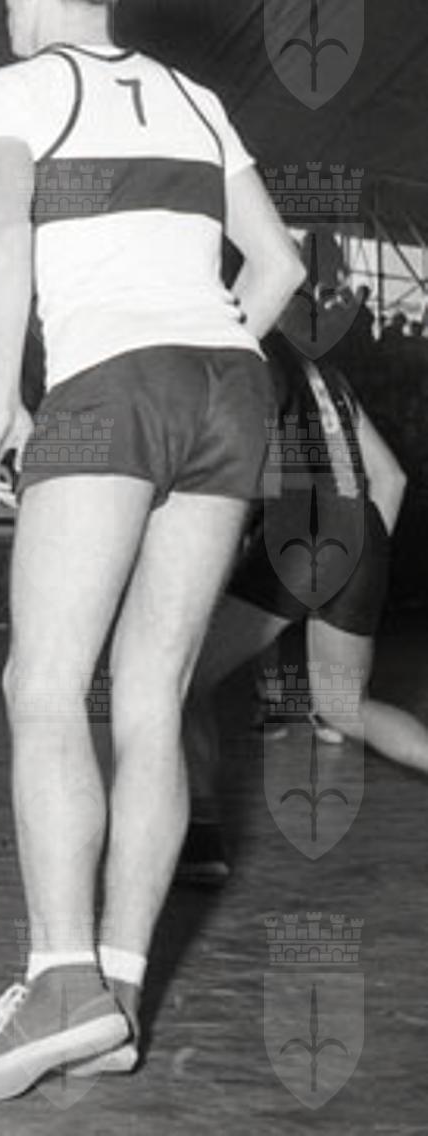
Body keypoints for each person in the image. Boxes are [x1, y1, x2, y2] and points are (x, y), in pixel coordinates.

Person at [0, 0, 302, 1106]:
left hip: (111, 383)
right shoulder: (196, 98)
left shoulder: (14, 86)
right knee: (150, 694)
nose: (5, 6)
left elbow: (3, 232)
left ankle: (59, 980)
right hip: (230, 383)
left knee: (42, 687)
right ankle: (118, 998)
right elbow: (280, 263)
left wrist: (2, 393)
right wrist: (207, 340)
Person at [178, 329, 428, 883]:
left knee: (183, 679)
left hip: (303, 528)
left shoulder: (246, 358)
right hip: (360, 527)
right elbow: (392, 479)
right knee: (345, 709)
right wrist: (354, 556)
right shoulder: (329, 378)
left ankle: (201, 839)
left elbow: (236, 475)